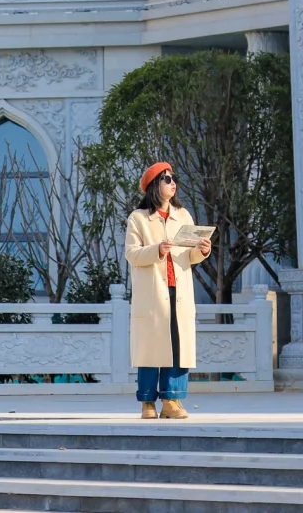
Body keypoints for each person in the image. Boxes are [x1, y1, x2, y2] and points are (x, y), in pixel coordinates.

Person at [124, 159, 212, 419]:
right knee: (151, 348)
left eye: (174, 178)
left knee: (178, 345)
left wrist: (202, 252)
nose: (173, 183)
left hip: (179, 290)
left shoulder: (182, 215)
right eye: (167, 179)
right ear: (154, 185)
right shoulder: (138, 218)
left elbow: (188, 255)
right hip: (154, 294)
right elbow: (131, 254)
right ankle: (148, 403)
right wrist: (156, 250)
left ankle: (172, 401)